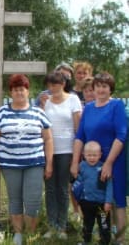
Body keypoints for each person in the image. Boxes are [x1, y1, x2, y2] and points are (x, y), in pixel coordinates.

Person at [0, 74, 53, 245]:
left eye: (22, 89)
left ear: (28, 91)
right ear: (10, 92)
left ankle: (30, 234)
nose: (19, 93)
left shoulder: (38, 112)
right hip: (10, 164)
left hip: (35, 164)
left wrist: (49, 164)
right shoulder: (2, 112)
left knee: (33, 200)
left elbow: (48, 139)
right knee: (15, 199)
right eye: (15, 89)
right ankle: (17, 234)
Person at [71, 72, 127, 245]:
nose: (101, 89)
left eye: (105, 86)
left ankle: (119, 238)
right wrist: (75, 162)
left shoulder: (116, 106)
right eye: (98, 86)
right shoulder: (88, 108)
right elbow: (80, 136)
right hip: (90, 162)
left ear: (110, 89)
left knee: (116, 200)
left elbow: (122, 135)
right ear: (93, 89)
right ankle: (98, 234)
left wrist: (109, 163)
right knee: (93, 197)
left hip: (114, 160)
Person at [43, 71, 82, 240]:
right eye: (50, 85)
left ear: (63, 84)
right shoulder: (45, 101)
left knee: (63, 189)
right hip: (49, 150)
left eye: (56, 84)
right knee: (50, 189)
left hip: (67, 149)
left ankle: (62, 226)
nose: (53, 87)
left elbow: (78, 128)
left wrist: (77, 155)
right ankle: (52, 225)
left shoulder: (73, 100)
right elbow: (42, 126)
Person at [72, 141, 113, 245]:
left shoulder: (103, 168)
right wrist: (79, 198)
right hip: (87, 202)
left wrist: (108, 201)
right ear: (84, 155)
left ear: (100, 155)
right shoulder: (81, 166)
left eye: (94, 155)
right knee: (87, 223)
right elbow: (78, 183)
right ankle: (86, 240)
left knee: (104, 224)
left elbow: (109, 186)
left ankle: (104, 241)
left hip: (101, 203)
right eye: (89, 155)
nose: (92, 158)